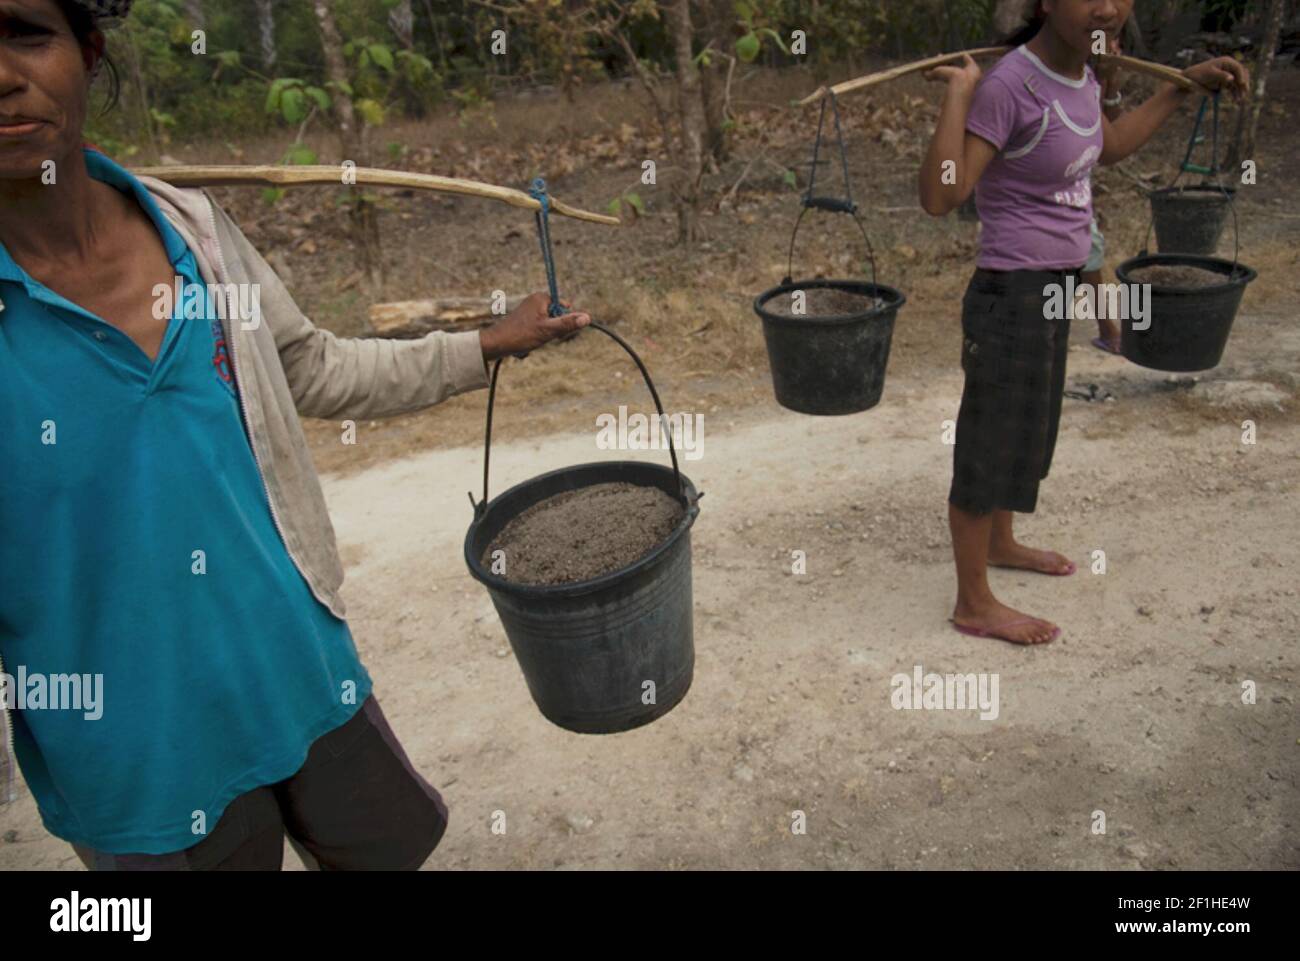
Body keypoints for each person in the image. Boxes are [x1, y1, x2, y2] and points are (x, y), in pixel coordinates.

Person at [0, 0, 589, 870]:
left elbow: (315, 368)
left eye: (26, 33)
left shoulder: (195, 237)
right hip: (137, 758)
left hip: (303, 676)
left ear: (88, 52)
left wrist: (488, 343)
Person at [918, 0, 1247, 645]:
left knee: (1029, 428)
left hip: (1055, 287)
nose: (1110, 6)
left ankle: (1003, 544)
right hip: (1010, 290)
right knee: (990, 439)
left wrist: (1184, 88)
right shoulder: (1011, 83)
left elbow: (1111, 145)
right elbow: (943, 194)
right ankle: (972, 602)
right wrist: (960, 95)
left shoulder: (1086, 74)